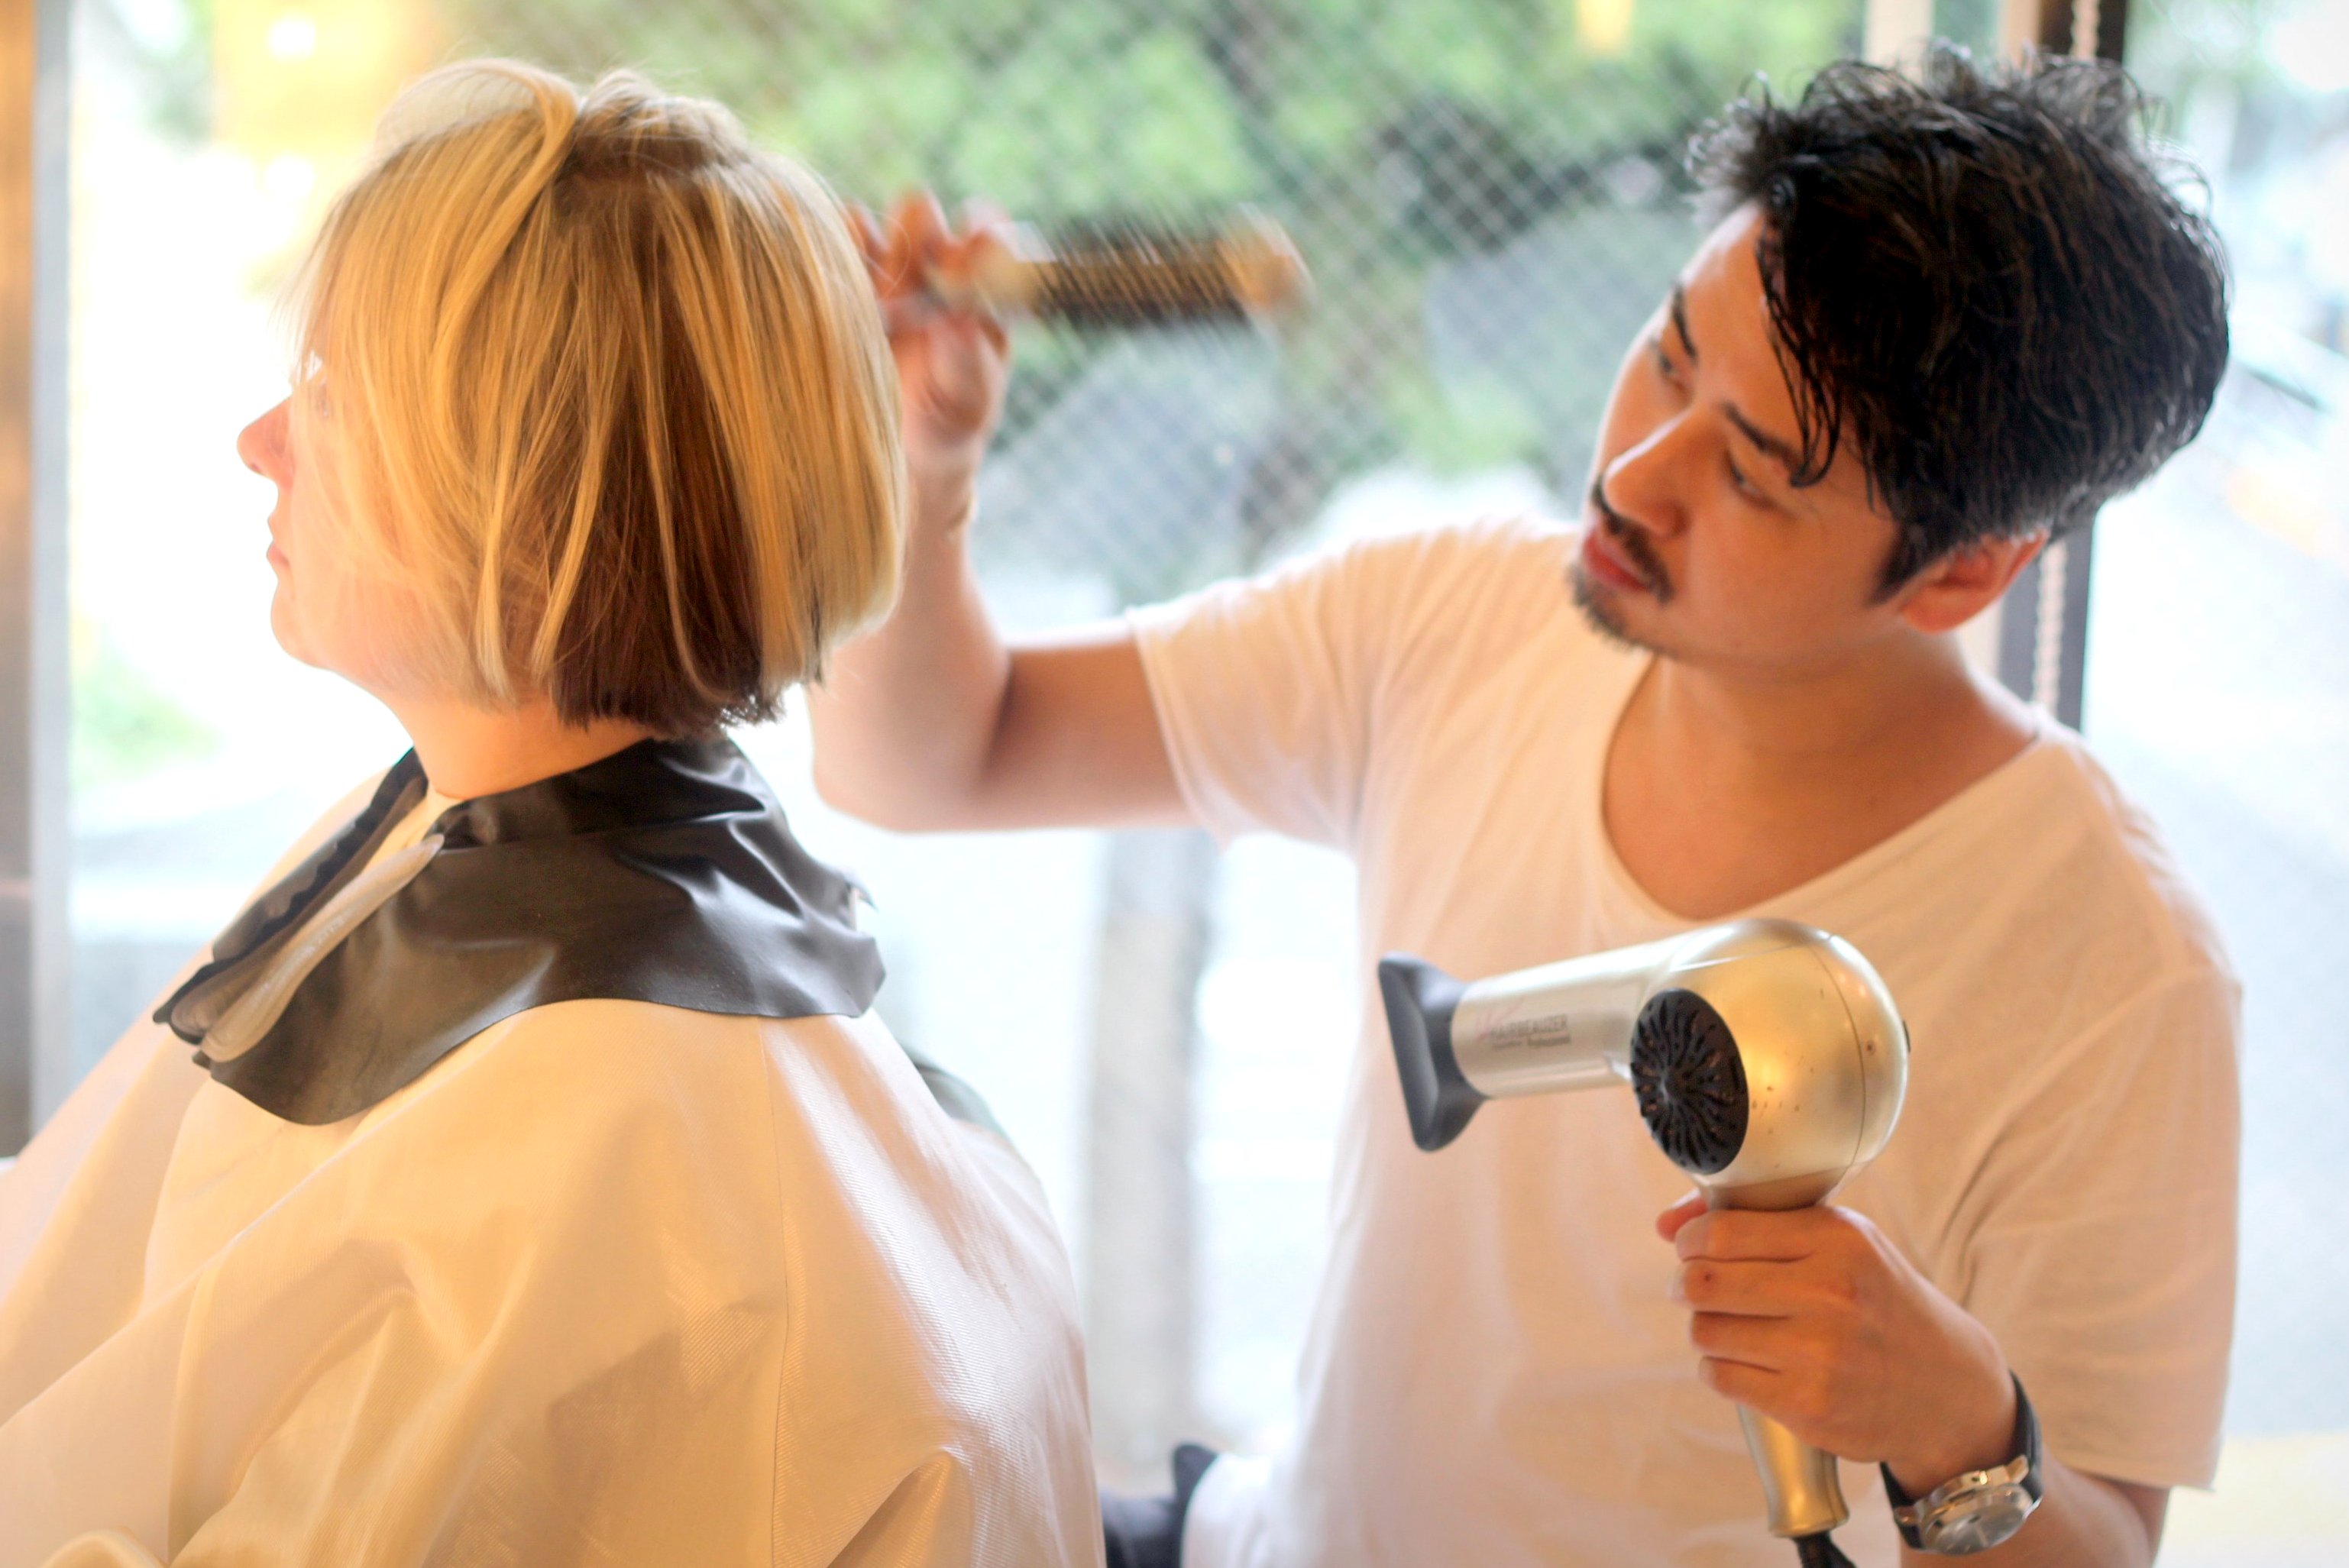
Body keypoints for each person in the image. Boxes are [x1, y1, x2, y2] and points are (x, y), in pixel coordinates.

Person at [812, 48, 2238, 1568]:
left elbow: (2095, 1544)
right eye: (1672, 354)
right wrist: (926, 459)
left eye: (1753, 476)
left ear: (1963, 570)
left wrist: (1956, 1423)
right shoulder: (1456, 617)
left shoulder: (2109, 967)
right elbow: (928, 760)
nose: (1631, 471)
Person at [0, 61, 1101, 1566]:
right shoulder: (449, 821)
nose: (263, 440)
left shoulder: (595, 1158)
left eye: (329, 391)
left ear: (511, 489)